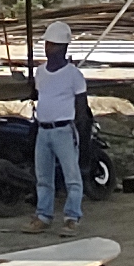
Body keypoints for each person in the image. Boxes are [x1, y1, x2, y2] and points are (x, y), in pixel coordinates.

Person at [28, 19, 91, 229]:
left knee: (72, 177)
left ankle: (72, 217)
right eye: (47, 44)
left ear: (63, 48)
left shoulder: (74, 75)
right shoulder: (40, 72)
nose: (48, 49)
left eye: (53, 45)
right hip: (43, 130)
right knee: (43, 178)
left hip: (64, 130)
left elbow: (82, 110)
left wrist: (83, 139)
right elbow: (39, 95)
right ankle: (43, 216)